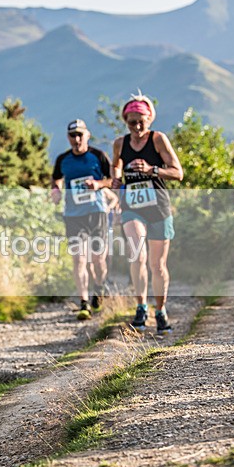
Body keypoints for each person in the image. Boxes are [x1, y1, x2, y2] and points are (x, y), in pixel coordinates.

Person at [111, 94, 183, 335]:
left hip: (158, 208)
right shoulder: (120, 143)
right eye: (132, 122)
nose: (137, 127)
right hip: (132, 207)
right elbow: (115, 166)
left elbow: (178, 172)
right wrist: (116, 179)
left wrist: (152, 170)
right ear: (126, 121)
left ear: (149, 119)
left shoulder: (158, 139)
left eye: (141, 121)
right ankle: (141, 307)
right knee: (137, 254)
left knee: (157, 265)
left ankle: (160, 310)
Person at [51, 119, 112, 320]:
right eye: (73, 135)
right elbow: (56, 178)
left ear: (87, 135)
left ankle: (99, 288)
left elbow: (113, 180)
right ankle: (84, 303)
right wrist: (56, 190)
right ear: (68, 137)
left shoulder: (98, 156)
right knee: (79, 259)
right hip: (73, 215)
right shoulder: (63, 159)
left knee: (98, 260)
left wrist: (98, 184)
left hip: (97, 213)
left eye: (80, 135)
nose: (76, 139)